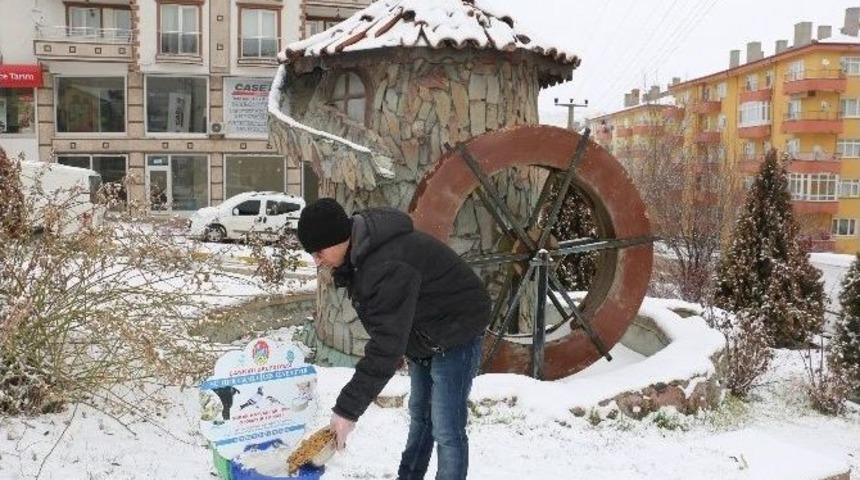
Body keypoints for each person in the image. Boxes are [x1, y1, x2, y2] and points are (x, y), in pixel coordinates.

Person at [297, 198, 491, 480]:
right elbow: (388, 329)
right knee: (421, 419)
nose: (316, 260)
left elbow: (385, 347)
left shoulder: (385, 264)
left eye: (318, 250)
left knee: (446, 427)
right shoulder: (359, 258)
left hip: (457, 330)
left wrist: (346, 411)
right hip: (424, 334)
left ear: (340, 238)